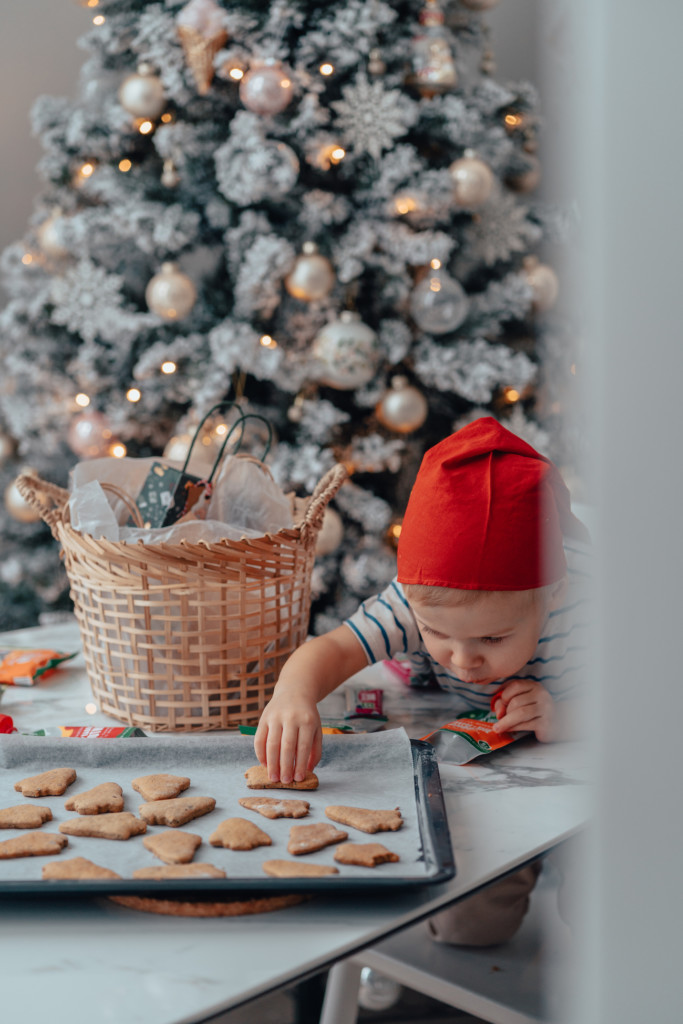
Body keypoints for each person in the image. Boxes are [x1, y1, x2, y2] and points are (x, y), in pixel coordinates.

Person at [255, 416, 590, 944]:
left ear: (554, 595)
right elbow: (334, 648)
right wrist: (293, 696)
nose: (461, 659)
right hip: (494, 781)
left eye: (493, 639)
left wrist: (569, 716)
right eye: (437, 634)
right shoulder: (419, 600)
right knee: (465, 930)